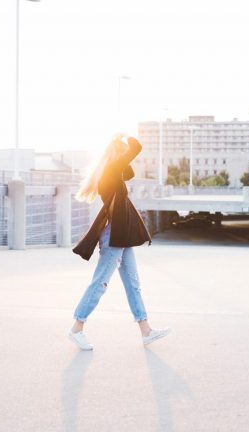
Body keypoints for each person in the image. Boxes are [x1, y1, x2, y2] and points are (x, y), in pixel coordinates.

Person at [67, 134, 170, 350]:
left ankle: (146, 331)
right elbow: (136, 147)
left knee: (133, 284)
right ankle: (77, 328)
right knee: (100, 283)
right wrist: (124, 136)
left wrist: (120, 149)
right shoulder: (111, 171)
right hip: (113, 236)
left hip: (122, 236)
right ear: (117, 154)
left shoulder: (114, 172)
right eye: (123, 154)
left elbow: (130, 172)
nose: (126, 158)